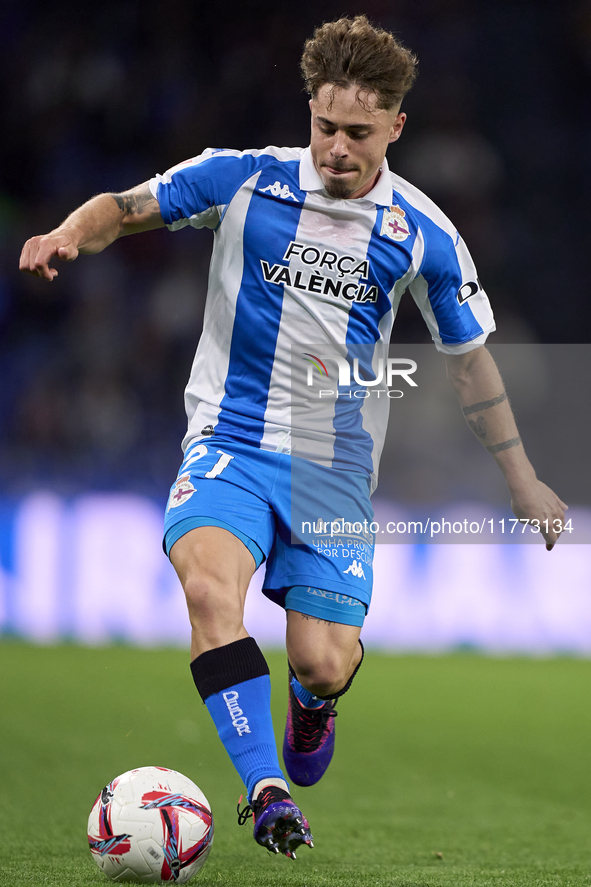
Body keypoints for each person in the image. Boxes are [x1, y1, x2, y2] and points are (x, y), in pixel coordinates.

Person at [19, 15, 567, 861]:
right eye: (323, 127)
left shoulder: (422, 233)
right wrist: (67, 233)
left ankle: (315, 702)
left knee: (320, 660)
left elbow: (468, 366)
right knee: (208, 594)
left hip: (332, 469)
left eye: (356, 132)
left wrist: (521, 478)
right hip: (229, 440)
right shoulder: (243, 179)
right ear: (307, 112)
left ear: (395, 126)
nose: (336, 149)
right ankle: (263, 789)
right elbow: (124, 209)